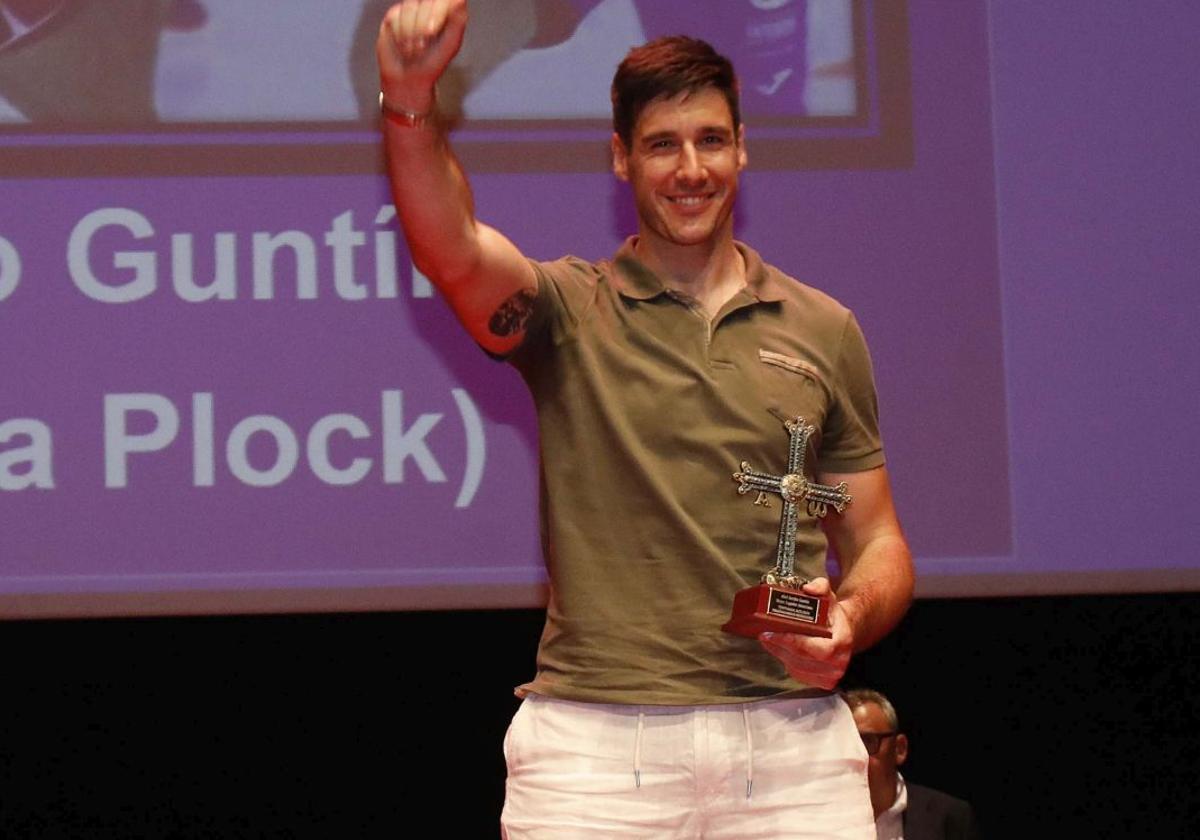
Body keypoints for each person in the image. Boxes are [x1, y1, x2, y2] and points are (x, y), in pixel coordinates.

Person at [376, 1, 914, 836]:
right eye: (662, 144)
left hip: (793, 752)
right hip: (595, 753)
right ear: (621, 159)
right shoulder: (567, 310)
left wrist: (847, 616)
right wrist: (408, 101)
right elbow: (450, 246)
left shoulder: (824, 328)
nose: (690, 168)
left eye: (710, 140)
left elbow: (879, 542)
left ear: (742, 148)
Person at [843, 688, 983, 840]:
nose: (856, 757)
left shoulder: (949, 818)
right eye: (844, 746)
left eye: (867, 741)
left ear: (899, 749)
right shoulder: (818, 817)